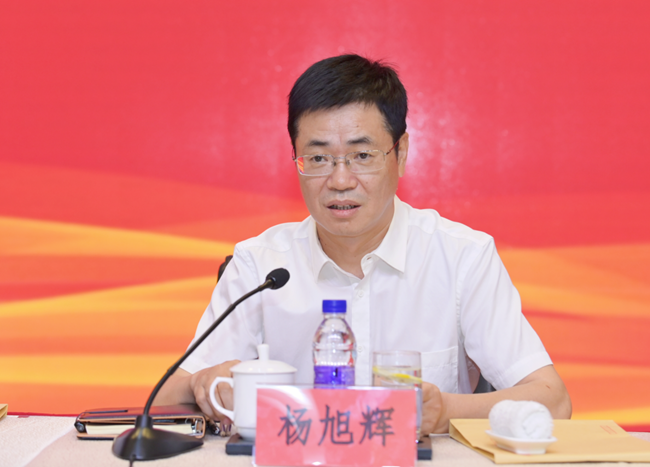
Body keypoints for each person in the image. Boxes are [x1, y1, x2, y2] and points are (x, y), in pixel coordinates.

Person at [155, 54, 572, 434]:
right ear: (296, 159)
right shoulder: (260, 266)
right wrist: (200, 383)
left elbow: (553, 402)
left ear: (400, 153)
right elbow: (162, 401)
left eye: (362, 156)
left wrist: (444, 410)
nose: (340, 180)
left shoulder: (462, 257)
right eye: (318, 158)